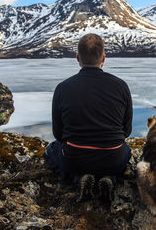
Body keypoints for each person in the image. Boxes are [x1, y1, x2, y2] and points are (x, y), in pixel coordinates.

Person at [44, 33, 133, 202]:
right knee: (127, 150)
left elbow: (58, 134)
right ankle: (110, 179)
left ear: (78, 57)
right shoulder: (121, 86)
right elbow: (126, 132)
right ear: (104, 58)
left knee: (51, 150)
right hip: (113, 158)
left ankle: (78, 179)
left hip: (75, 159)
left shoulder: (63, 88)